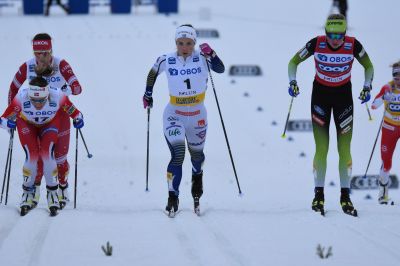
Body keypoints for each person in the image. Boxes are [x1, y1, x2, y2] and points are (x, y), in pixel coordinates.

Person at [287, 14, 374, 216]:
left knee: (344, 149)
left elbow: (369, 66)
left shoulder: (353, 45)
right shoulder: (316, 43)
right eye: (331, 36)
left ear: (345, 33)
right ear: (325, 33)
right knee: (322, 148)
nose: (335, 40)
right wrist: (292, 81)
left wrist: (367, 86)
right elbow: (293, 62)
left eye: (339, 36)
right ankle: (319, 195)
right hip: (321, 98)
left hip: (343, 98)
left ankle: (345, 197)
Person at [142, 24, 225, 217]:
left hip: (197, 117)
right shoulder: (167, 59)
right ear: (176, 43)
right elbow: (152, 73)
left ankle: (197, 180)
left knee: (197, 157)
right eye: (180, 43)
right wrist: (147, 93)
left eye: (188, 43)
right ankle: (173, 196)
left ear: (194, 43)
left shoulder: (202, 58)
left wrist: (212, 53)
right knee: (178, 155)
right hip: (174, 115)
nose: (184, 47)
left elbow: (220, 69)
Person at [8, 33, 83, 209]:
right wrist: (13, 113)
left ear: (51, 51)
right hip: (34, 116)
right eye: (38, 53)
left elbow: (77, 88)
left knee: (60, 159)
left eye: (46, 53)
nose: (42, 58)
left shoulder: (60, 64)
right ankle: (34, 190)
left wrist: (62, 91)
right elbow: (13, 90)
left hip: (60, 114)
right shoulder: (28, 66)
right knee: (38, 157)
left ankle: (63, 187)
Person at [0, 77, 84, 216]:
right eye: (33, 100)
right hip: (27, 124)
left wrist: (78, 119)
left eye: (41, 100)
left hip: (49, 124)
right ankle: (27, 193)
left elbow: (75, 113)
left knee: (47, 153)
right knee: (32, 154)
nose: (37, 104)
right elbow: (2, 118)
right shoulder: (22, 97)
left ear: (48, 94)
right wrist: (7, 123)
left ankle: (52, 193)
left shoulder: (57, 95)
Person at [371, 61, 400, 204]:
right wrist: (383, 98)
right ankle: (383, 193)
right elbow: (374, 105)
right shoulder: (388, 87)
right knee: (386, 162)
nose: (398, 77)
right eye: (395, 74)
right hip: (389, 128)